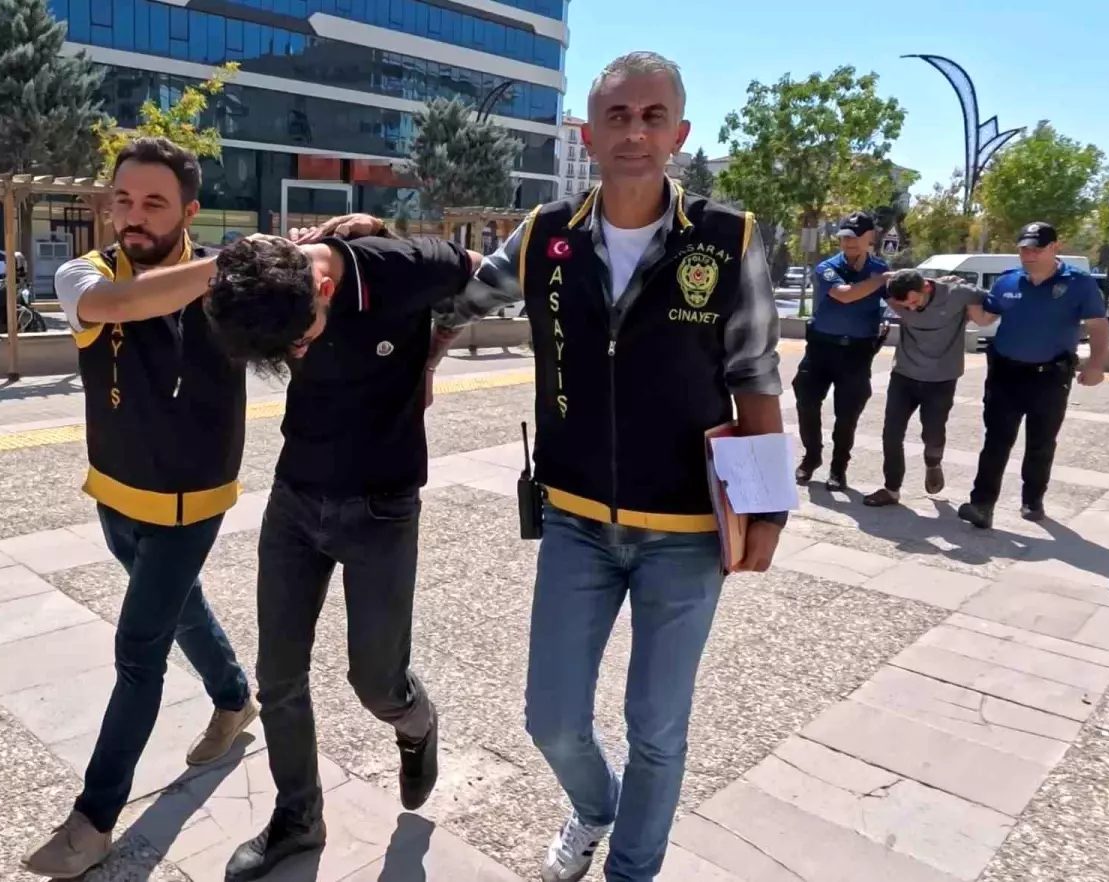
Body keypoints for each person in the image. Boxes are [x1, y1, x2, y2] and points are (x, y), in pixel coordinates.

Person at [310, 51, 788, 882]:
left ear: (678, 133)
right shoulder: (547, 235)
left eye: (651, 117)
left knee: (656, 727)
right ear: (588, 135)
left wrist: (768, 510)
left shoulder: (727, 238)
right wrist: (413, 339)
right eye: (617, 116)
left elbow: (755, 376)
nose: (634, 132)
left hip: (686, 530)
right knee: (551, 719)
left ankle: (631, 869)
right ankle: (597, 807)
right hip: (577, 522)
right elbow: (456, 300)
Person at [199, 231, 484, 881]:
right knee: (278, 677)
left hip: (382, 508)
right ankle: (299, 818)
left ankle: (415, 720)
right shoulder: (267, 279)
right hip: (295, 499)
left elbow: (486, 273)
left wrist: (431, 357)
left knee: (375, 683)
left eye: (301, 339)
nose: (299, 353)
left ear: (324, 288)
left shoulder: (404, 267)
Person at [22, 138, 256, 879]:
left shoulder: (231, 283)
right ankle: (235, 699)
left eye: (154, 202)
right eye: (123, 199)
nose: (133, 215)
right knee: (181, 608)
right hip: (116, 491)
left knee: (138, 650)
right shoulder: (86, 274)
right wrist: (232, 264)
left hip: (195, 498)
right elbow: (126, 305)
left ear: (189, 211)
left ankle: (93, 819)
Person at [958, 222, 1109, 529]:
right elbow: (986, 318)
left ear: (1055, 247)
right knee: (996, 440)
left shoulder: (1078, 283)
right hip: (1005, 373)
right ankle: (982, 504)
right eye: (1024, 250)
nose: (1028, 255)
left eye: (1036, 249)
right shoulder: (1007, 281)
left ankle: (1032, 500)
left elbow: (1098, 326)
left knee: (1041, 442)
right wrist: (964, 297)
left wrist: (1096, 364)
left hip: (1050, 376)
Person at [862, 269, 991, 506]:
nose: (910, 309)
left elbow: (990, 302)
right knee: (891, 433)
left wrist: (973, 312)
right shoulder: (896, 295)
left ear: (927, 287)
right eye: (904, 306)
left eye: (914, 302)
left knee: (932, 432)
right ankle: (891, 489)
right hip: (904, 375)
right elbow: (879, 280)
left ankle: (933, 463)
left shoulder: (957, 294)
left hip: (941, 378)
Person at [793, 212, 890, 490]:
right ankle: (812, 456)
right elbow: (844, 294)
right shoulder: (827, 267)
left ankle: (838, 468)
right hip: (821, 347)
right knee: (806, 400)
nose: (849, 242)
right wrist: (881, 280)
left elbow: (900, 300)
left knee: (847, 413)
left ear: (870, 237)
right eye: (845, 237)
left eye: (855, 237)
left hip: (857, 353)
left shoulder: (879, 269)